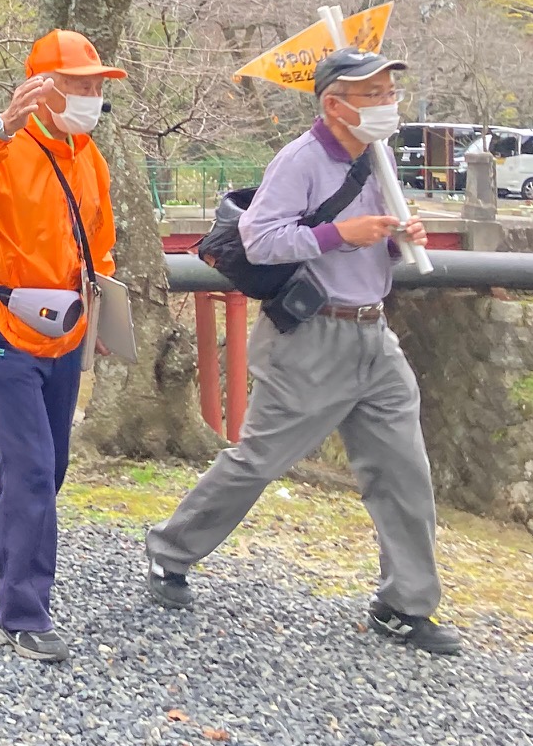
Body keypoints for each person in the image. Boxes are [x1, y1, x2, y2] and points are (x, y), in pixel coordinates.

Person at [145, 46, 459, 654]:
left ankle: (404, 604)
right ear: (334, 104)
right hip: (311, 334)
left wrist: (398, 240)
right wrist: (340, 233)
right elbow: (260, 241)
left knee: (404, 471)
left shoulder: (376, 156)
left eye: (390, 92)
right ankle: (170, 550)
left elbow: (374, 245)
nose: (388, 103)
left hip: (375, 334)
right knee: (260, 460)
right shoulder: (300, 159)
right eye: (373, 94)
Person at [0, 29, 123, 663]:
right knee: (32, 467)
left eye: (96, 85)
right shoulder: (0, 145)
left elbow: (99, 242)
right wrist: (2, 124)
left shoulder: (88, 157)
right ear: (42, 88)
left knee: (51, 464)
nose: (90, 95)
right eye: (78, 84)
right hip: (2, 325)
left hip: (65, 327)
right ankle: (21, 612)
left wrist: (103, 314)